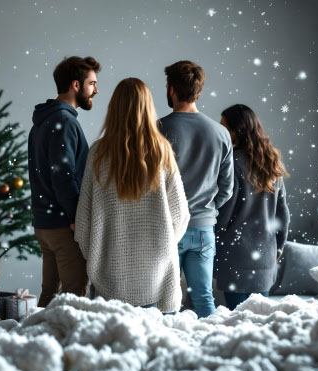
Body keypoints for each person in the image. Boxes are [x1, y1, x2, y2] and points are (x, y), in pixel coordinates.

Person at [74, 78, 190, 314]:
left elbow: (84, 222)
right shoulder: (162, 151)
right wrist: (162, 244)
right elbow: (181, 215)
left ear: (114, 108)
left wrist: (100, 257)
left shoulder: (98, 152)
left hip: (111, 275)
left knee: (113, 347)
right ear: (148, 107)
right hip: (156, 275)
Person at [159, 60, 234, 318]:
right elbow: (227, 188)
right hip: (204, 228)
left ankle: (163, 352)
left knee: (165, 299)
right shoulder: (221, 134)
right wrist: (207, 210)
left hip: (168, 227)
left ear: (170, 88)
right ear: (199, 91)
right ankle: (211, 352)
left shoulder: (158, 130)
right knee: (203, 297)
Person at [28, 56, 100, 307]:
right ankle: (67, 346)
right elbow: (64, 175)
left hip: (45, 223)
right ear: (76, 85)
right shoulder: (65, 121)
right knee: (75, 297)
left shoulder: (42, 120)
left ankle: (33, 344)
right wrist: (75, 217)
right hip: (62, 226)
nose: (96, 90)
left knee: (49, 295)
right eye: (92, 83)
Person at [215, 104, 290, 311]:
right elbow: (283, 215)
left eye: (224, 128)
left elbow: (224, 215)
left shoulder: (231, 164)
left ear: (237, 131)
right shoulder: (272, 164)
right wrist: (279, 246)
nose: (221, 132)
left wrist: (211, 240)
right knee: (260, 322)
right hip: (265, 258)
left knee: (237, 322)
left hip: (235, 258)